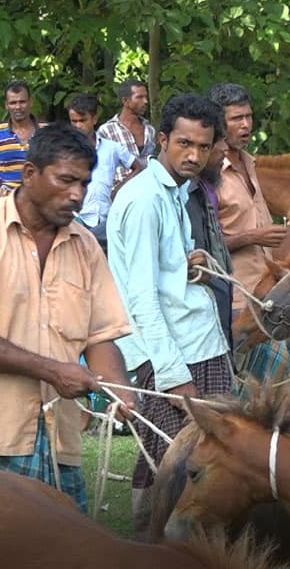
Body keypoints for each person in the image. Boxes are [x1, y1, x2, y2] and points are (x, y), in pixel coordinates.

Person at [105, 93, 233, 538]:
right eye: (184, 143)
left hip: (198, 343)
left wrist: (188, 259)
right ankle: (150, 549)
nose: (193, 155)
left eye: (203, 145)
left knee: (201, 462)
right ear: (162, 139)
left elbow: (162, 276)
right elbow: (140, 299)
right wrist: (175, 376)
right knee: (173, 467)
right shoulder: (144, 200)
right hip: (173, 357)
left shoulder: (175, 193)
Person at [0, 124, 134, 512]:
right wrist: (52, 370)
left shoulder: (86, 244)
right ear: (29, 174)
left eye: (85, 183)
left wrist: (120, 391)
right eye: (66, 180)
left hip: (62, 440)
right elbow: (58, 369)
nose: (77, 195)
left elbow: (100, 337)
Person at [208, 83, 290, 382]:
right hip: (235, 299)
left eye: (248, 117)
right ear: (218, 122)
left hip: (267, 294)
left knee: (286, 384)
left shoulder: (251, 163)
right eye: (236, 119)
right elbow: (202, 244)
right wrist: (253, 238)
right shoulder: (209, 175)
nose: (246, 125)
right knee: (248, 390)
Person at [66, 93, 143, 251]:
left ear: (94, 119)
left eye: (83, 120)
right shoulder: (65, 150)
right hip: (75, 219)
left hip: (105, 221)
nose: (78, 126)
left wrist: (119, 189)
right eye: (74, 121)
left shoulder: (111, 148)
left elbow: (139, 167)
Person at [185, 136, 234, 353]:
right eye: (215, 143)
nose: (225, 148)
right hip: (196, 335)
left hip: (218, 318)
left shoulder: (204, 189)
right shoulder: (179, 196)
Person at [97, 79, 156, 193]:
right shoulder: (107, 131)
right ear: (125, 101)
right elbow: (102, 168)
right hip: (118, 193)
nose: (145, 101)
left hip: (148, 192)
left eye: (146, 97)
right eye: (139, 97)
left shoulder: (149, 130)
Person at [0, 81, 45, 194]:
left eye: (22, 102)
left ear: (30, 102)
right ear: (6, 105)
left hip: (39, 200)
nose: (18, 107)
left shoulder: (47, 132)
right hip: (5, 201)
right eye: (13, 103)